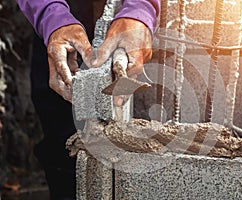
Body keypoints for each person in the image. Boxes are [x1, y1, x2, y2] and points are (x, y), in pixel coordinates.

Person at [15, 0, 161, 199]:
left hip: (135, 30)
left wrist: (140, 9)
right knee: (65, 151)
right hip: (62, 20)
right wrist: (52, 16)